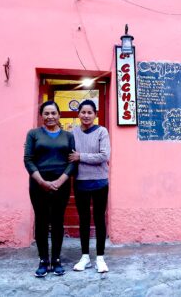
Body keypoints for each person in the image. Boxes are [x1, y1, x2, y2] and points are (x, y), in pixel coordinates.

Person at [24, 100, 76, 278]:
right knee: (41, 221)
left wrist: (60, 181)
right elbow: (28, 159)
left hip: (61, 185)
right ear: (41, 116)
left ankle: (57, 260)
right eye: (46, 113)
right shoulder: (33, 134)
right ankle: (43, 260)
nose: (50, 117)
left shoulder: (68, 136)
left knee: (57, 222)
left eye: (53, 113)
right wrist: (42, 181)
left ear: (59, 115)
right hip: (38, 185)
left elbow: (72, 162)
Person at [69, 99, 111, 273]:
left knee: (99, 219)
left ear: (95, 115)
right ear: (78, 114)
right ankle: (85, 256)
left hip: (100, 182)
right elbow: (70, 156)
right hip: (80, 182)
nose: (86, 115)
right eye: (83, 112)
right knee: (84, 220)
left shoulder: (102, 131)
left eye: (89, 112)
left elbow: (104, 155)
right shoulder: (73, 133)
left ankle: (100, 257)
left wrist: (81, 157)